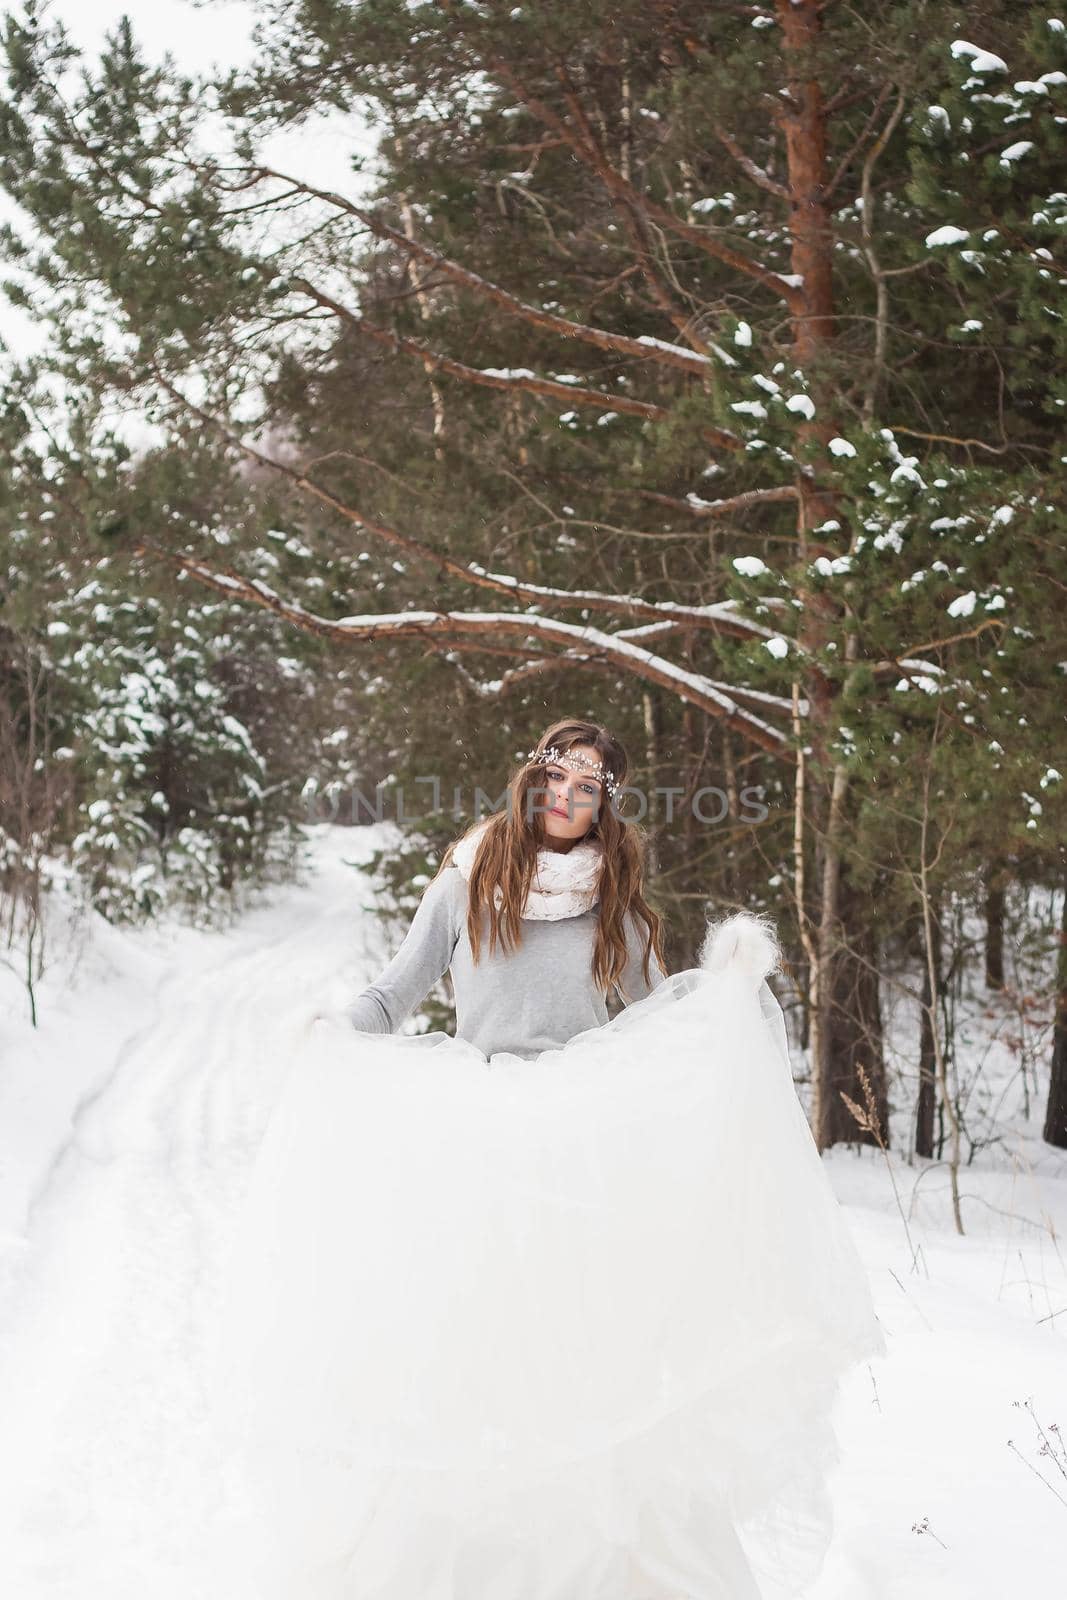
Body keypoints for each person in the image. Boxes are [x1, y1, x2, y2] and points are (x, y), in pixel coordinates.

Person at [205, 718, 885, 1600]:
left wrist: (722, 993)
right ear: (530, 781)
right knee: (472, 1328)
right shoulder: (466, 880)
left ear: (606, 804)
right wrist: (333, 1032)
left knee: (585, 1334)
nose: (566, 797)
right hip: (481, 1126)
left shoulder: (618, 901)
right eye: (555, 777)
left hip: (582, 1130)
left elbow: (657, 1022)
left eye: (587, 786)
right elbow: (395, 990)